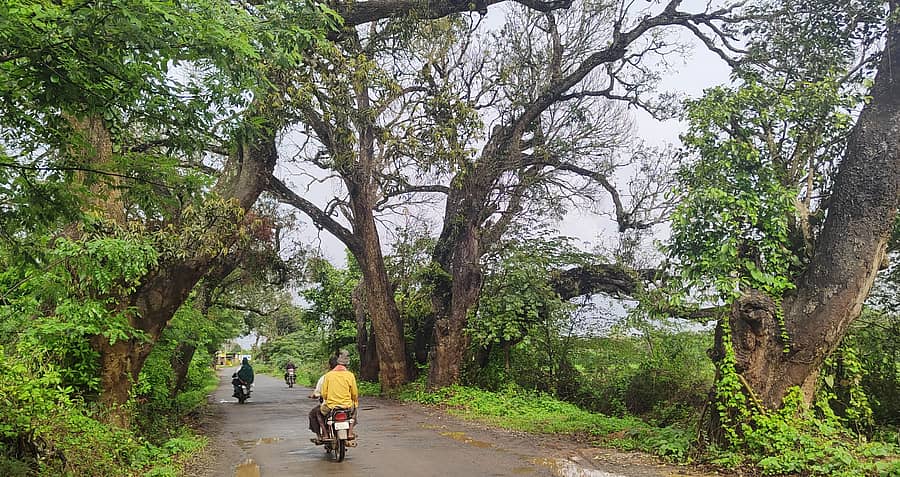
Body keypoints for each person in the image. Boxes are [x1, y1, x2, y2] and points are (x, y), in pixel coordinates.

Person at [320, 350, 359, 444]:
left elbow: (324, 393)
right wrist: (355, 402)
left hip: (331, 406)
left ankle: (326, 434)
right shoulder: (350, 375)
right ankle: (350, 432)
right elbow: (354, 393)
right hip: (347, 406)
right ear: (347, 365)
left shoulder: (328, 375)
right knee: (354, 414)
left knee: (320, 413)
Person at [308, 355, 338, 442]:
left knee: (315, 413)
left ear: (329, 365)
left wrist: (315, 395)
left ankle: (322, 435)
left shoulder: (325, 377)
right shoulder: (348, 376)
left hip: (330, 405)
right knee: (351, 414)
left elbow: (321, 393)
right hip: (345, 404)